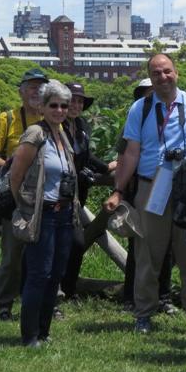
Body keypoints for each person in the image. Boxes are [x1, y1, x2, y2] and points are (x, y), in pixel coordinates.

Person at [103, 53, 186, 334]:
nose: (163, 77)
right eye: (156, 73)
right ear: (150, 78)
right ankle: (144, 313)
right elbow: (131, 152)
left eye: (167, 71)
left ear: (176, 72)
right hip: (151, 185)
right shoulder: (141, 108)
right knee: (148, 254)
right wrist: (118, 190)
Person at [9, 81, 83, 348]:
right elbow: (16, 176)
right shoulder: (35, 133)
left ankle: (43, 330)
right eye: (54, 105)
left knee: (55, 274)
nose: (60, 110)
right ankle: (29, 334)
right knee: (39, 274)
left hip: (64, 214)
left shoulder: (61, 133)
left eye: (64, 105)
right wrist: (27, 208)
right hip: (44, 214)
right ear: (42, 107)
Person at [0, 67, 48, 320]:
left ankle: (46, 303)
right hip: (15, 195)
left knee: (45, 253)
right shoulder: (7, 118)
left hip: (46, 195)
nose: (36, 92)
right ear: (21, 92)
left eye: (41, 87)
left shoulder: (54, 118)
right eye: (31, 87)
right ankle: (4, 304)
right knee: (12, 254)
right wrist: (15, 170)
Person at [115, 78, 176, 315]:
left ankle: (163, 295)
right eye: (145, 93)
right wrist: (119, 188)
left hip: (168, 186)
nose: (151, 95)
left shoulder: (175, 114)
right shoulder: (137, 115)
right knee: (139, 247)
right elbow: (124, 154)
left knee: (167, 247)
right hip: (141, 188)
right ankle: (133, 297)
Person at [59, 82, 115, 300]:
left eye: (80, 101)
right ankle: (60, 290)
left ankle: (67, 290)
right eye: (72, 100)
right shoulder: (56, 126)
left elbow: (85, 156)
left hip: (77, 195)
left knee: (75, 244)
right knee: (72, 243)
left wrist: (107, 168)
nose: (76, 105)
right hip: (59, 195)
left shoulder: (81, 125)